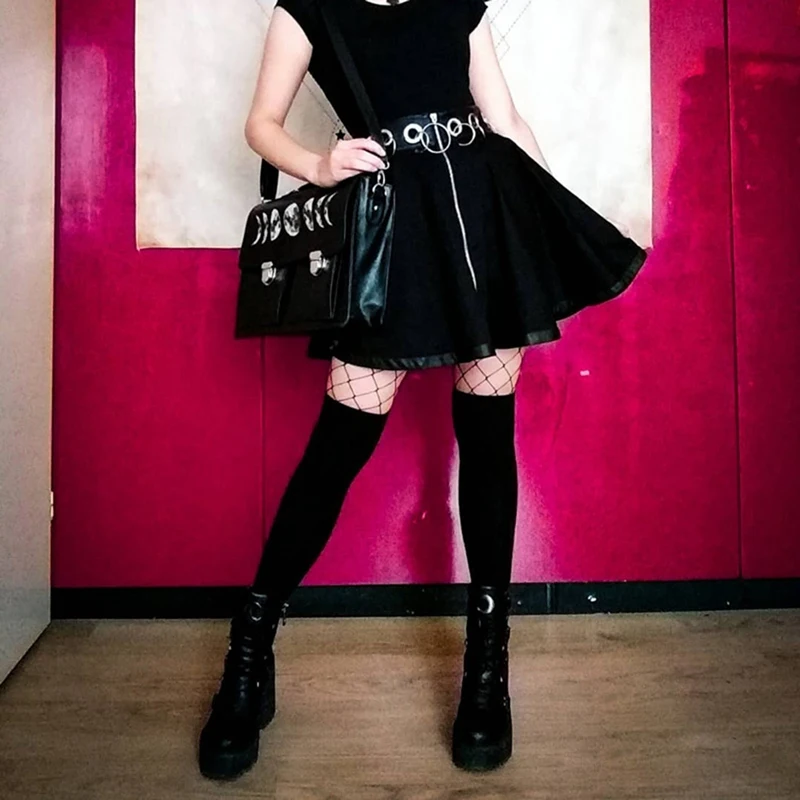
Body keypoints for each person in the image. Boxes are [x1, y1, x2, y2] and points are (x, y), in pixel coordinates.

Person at [198, 0, 649, 781]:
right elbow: (261, 124)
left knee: (487, 439)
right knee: (338, 448)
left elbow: (505, 120)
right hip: (393, 238)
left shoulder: (455, 2)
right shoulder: (310, 8)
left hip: (485, 220)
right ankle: (248, 654)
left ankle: (487, 668)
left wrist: (551, 233)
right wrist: (319, 165)